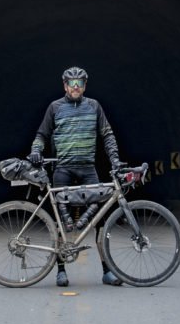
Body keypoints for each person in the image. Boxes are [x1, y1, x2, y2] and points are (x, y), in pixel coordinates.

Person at [28, 66, 124, 287]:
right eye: (71, 84)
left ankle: (107, 271)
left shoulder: (94, 106)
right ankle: (60, 271)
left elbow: (107, 134)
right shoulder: (55, 107)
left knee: (100, 221)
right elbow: (42, 135)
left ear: (85, 86)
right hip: (63, 170)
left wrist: (115, 160)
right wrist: (36, 151)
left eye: (80, 83)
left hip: (88, 169)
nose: (75, 87)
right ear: (64, 86)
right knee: (61, 222)